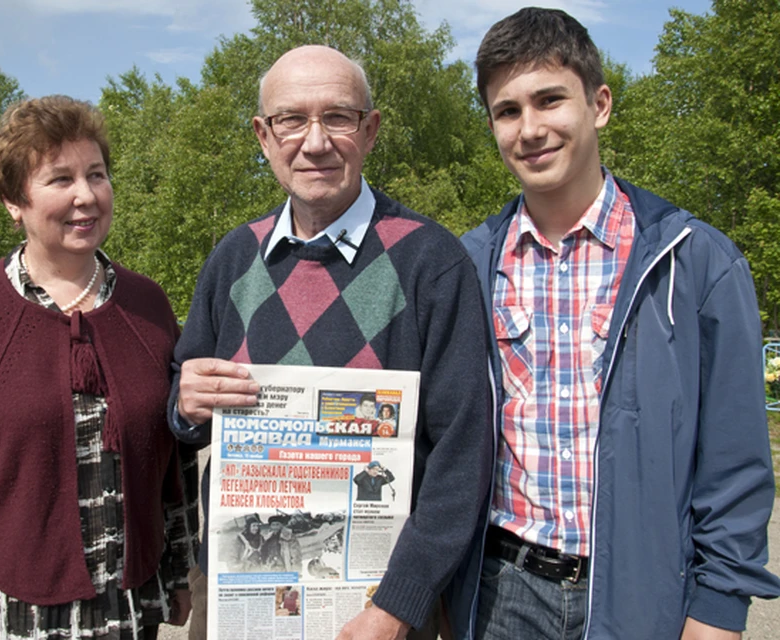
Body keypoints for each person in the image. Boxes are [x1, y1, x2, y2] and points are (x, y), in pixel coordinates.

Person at [443, 8, 780, 640]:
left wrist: (719, 610)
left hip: (645, 596)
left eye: (550, 100)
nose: (531, 128)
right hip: (499, 595)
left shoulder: (694, 261)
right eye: (507, 110)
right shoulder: (466, 264)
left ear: (599, 104)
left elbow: (735, 460)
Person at [169, 44, 493, 640]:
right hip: (245, 604)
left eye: (338, 117)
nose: (314, 142)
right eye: (292, 119)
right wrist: (185, 406)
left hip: (379, 613)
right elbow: (181, 399)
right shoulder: (233, 258)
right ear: (264, 136)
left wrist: (400, 604)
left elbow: (464, 454)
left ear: (369, 131)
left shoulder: (432, 262)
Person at [0, 95, 198, 640]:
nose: (86, 196)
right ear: (12, 200)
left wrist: (181, 566)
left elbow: (175, 463)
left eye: (96, 174)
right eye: (60, 179)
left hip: (125, 612)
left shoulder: (148, 307)